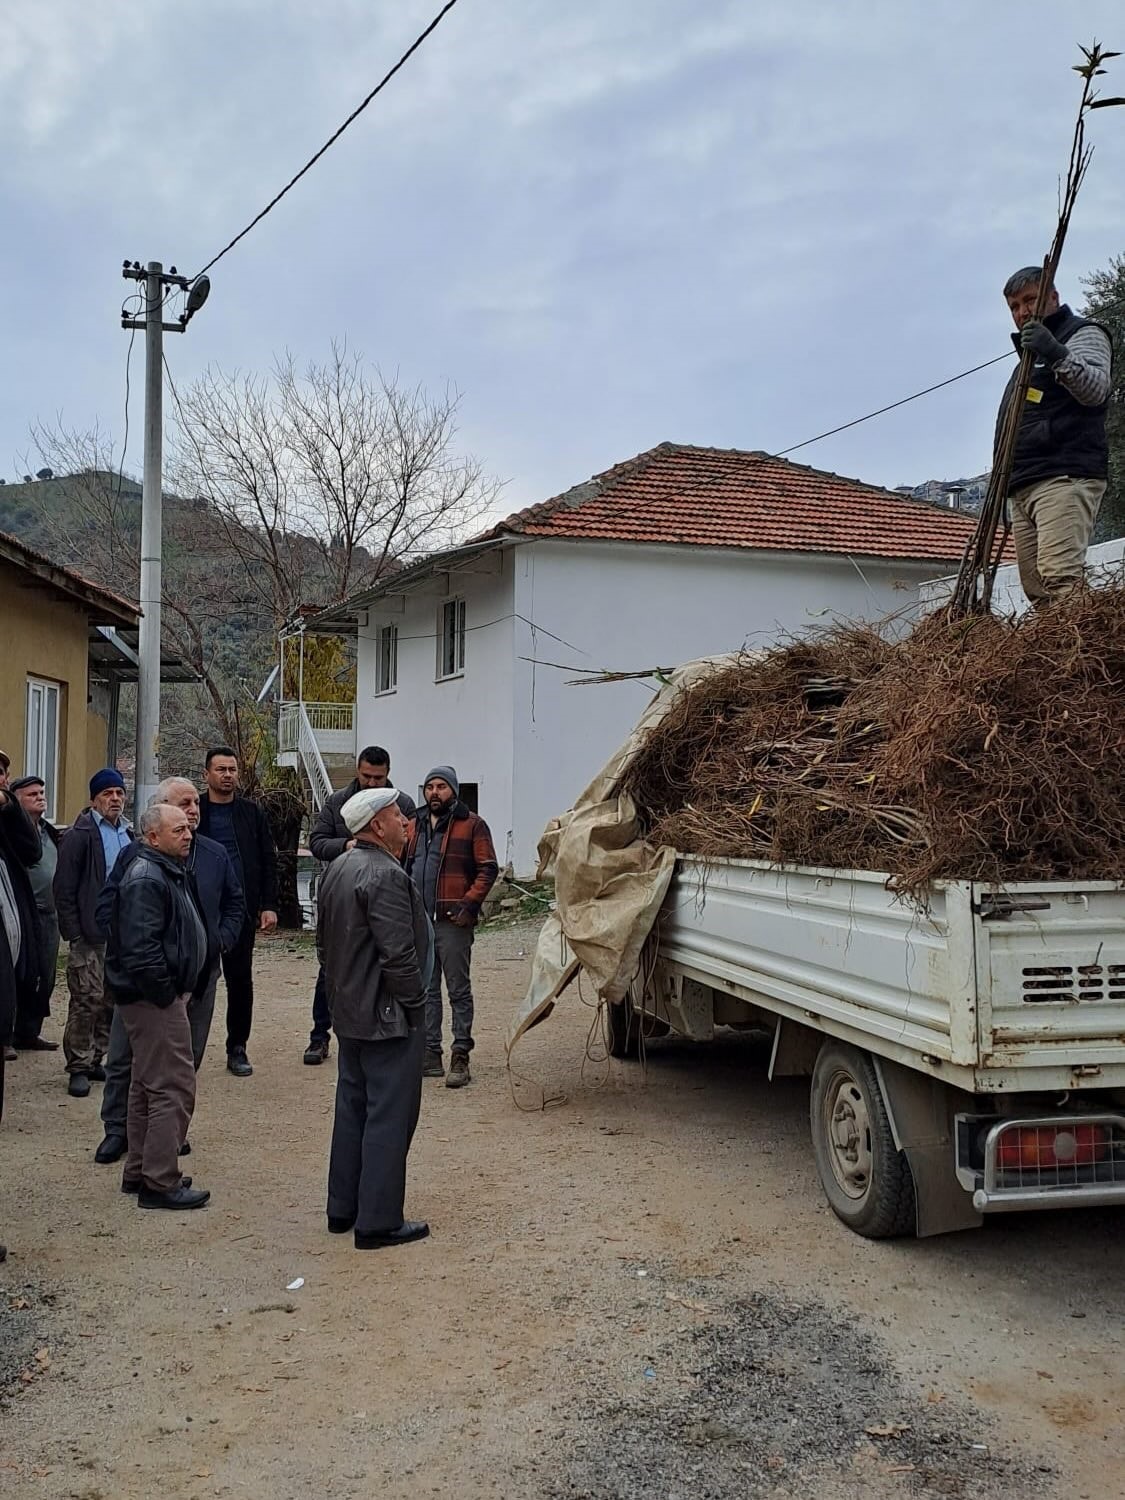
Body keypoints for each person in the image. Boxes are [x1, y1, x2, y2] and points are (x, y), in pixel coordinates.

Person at [95, 777, 245, 1166]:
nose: (193, 812)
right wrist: (161, 986)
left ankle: (168, 1136)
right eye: (182, 806)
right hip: (151, 987)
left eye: (195, 804)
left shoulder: (211, 853)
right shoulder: (137, 861)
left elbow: (233, 904)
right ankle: (119, 1133)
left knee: (183, 1062)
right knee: (128, 1061)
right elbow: (114, 913)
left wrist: (217, 943)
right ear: (154, 829)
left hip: (198, 976)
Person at [318, 787, 431, 1249]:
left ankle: (343, 1208)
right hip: (387, 1017)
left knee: (353, 1110)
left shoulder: (339, 868)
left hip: (351, 1013)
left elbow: (324, 948)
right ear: (377, 826)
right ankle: (378, 1221)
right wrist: (416, 1006)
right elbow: (399, 956)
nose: (407, 824)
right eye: (398, 817)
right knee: (389, 1115)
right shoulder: (383, 873)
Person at [104, 803, 209, 1210]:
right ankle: (160, 1181)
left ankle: (140, 1171)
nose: (188, 834)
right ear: (152, 837)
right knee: (172, 1087)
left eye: (188, 828)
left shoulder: (162, 869)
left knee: (147, 1086)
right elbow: (141, 949)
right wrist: (167, 994)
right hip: (152, 1000)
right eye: (178, 829)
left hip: (151, 997)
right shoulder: (147, 877)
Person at [997, 267, 1113, 609]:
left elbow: (1096, 390)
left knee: (1060, 579)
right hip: (1025, 482)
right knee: (1037, 590)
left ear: (1053, 297)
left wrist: (1055, 351)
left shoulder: (1084, 334)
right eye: (1015, 306)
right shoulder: (1026, 361)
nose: (1022, 312)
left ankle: (1082, 657)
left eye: (1031, 299)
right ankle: (1057, 657)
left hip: (1064, 474)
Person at [303, 746, 416, 1066]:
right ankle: (319, 1035)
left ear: (388, 773)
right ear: (358, 771)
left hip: (388, 896)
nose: (372, 783)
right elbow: (317, 842)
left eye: (378, 778)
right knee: (331, 968)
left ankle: (389, 1028)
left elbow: (413, 847)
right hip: (344, 897)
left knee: (386, 964)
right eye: (366, 776)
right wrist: (348, 846)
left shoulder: (401, 804)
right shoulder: (337, 802)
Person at [404, 766, 498, 1088]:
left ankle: (461, 1054)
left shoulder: (472, 825)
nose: (434, 792)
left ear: (454, 791)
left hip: (453, 922)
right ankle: (431, 1053)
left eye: (441, 786)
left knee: (458, 989)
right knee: (427, 990)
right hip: (421, 923)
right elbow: (405, 866)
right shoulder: (413, 824)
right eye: (429, 786)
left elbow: (488, 868)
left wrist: (468, 904)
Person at [196, 748, 278, 1077]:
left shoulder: (251, 813)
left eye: (232, 769)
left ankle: (237, 1047)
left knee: (240, 981)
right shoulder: (194, 810)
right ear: (207, 774)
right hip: (199, 909)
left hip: (239, 910)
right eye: (220, 769)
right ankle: (187, 1048)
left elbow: (268, 859)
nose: (227, 775)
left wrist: (268, 905)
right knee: (195, 980)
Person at [54, 768, 132, 1097]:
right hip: (88, 933)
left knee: (110, 1002)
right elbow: (64, 887)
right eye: (107, 794)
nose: (114, 799)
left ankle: (97, 1057)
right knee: (85, 1000)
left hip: (121, 933)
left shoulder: (129, 833)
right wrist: (73, 931)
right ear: (94, 799)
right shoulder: (80, 834)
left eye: (119, 793)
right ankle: (78, 1066)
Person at [9, 775, 61, 1051]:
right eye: (32, 794)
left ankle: (30, 1032)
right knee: (20, 975)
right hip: (23, 913)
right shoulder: (12, 834)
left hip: (50, 915)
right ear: (14, 801)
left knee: (46, 976)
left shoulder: (49, 831)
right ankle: (9, 1035)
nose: (41, 797)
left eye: (42, 792)